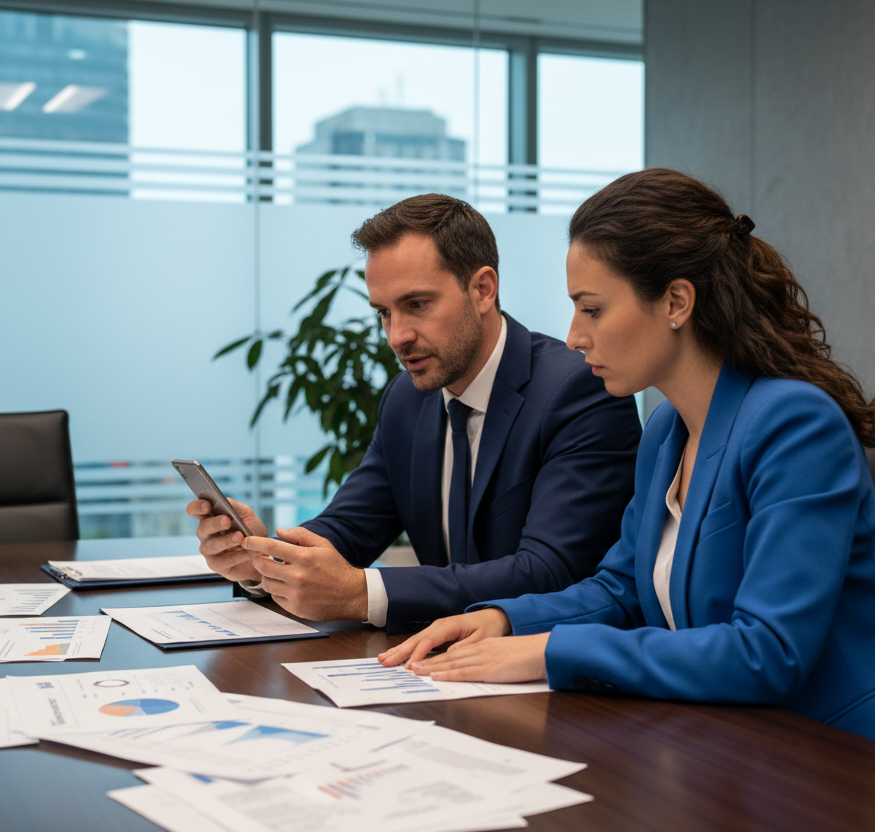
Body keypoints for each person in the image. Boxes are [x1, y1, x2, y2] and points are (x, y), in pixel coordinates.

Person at [380, 169, 875, 758]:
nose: (574, 337)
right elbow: (622, 587)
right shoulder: (666, 432)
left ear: (675, 301)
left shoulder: (796, 426)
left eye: (592, 310)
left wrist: (550, 651)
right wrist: (504, 621)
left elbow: (767, 652)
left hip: (851, 765)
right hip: (737, 753)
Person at [189, 194, 642, 633]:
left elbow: (549, 573)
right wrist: (262, 558)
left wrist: (362, 594)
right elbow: (347, 528)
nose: (396, 336)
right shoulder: (407, 399)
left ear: (483, 289)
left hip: (557, 678)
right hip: (440, 671)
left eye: (417, 305)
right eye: (384, 313)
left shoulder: (580, 390)